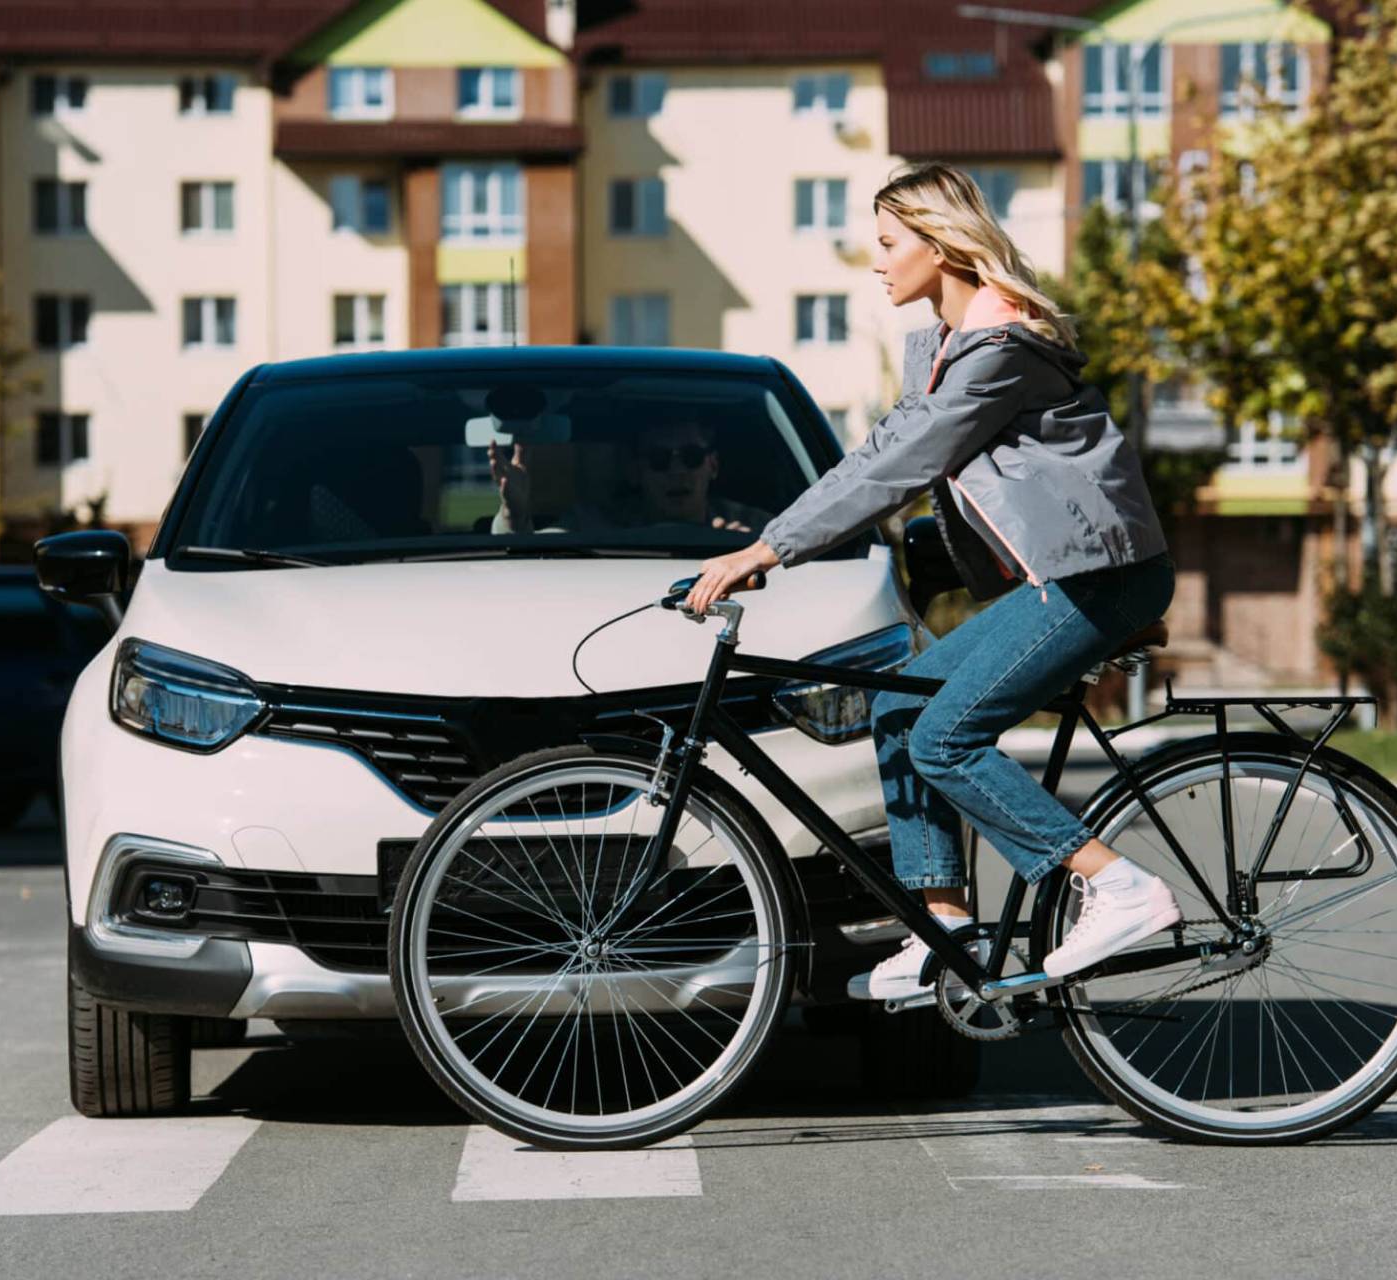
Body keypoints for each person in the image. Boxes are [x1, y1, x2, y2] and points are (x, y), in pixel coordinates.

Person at [685, 162, 1180, 1000]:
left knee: (942, 738)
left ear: (941, 245)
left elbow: (902, 466)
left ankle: (1118, 885)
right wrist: (774, 545)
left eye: (887, 243)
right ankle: (945, 932)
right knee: (900, 701)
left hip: (1103, 577)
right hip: (1063, 577)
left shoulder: (1001, 352)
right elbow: (881, 455)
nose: (875, 262)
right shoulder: (953, 351)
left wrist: (765, 551)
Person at [489, 418, 771, 534]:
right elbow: (533, 558)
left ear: (712, 465)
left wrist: (748, 553)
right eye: (659, 460)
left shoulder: (755, 527)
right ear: (636, 472)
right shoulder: (595, 527)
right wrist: (514, 513)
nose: (677, 471)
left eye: (691, 457)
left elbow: (799, 563)